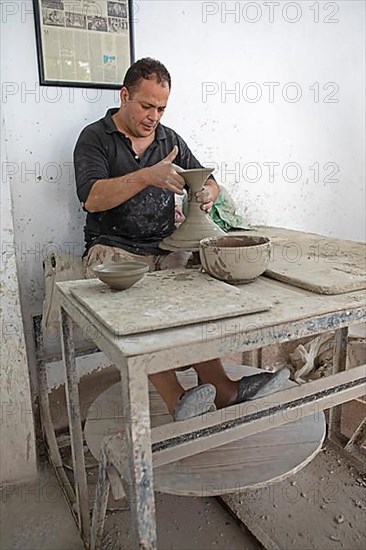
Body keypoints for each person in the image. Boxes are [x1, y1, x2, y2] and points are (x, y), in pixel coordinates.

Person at [74, 57, 289, 421]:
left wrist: (208, 193)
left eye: (161, 108)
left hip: (164, 248)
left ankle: (224, 389)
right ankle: (178, 401)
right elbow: (91, 197)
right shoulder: (95, 138)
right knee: (139, 314)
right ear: (124, 95)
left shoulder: (169, 139)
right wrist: (146, 176)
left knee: (197, 306)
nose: (154, 116)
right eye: (146, 105)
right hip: (111, 249)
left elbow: (207, 179)